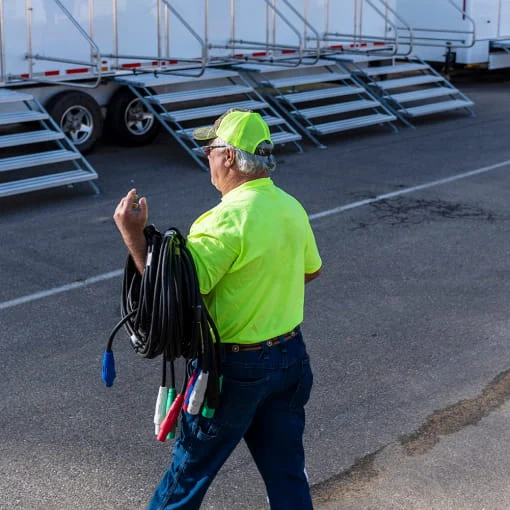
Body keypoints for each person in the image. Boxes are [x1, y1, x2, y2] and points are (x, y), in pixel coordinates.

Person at [113, 109, 322, 509]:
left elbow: (171, 294)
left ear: (229, 157)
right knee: (287, 474)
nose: (206, 157)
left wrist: (133, 235)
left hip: (235, 370)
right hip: (291, 359)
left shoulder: (225, 219)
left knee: (187, 475)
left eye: (210, 149)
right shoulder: (290, 206)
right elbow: (310, 271)